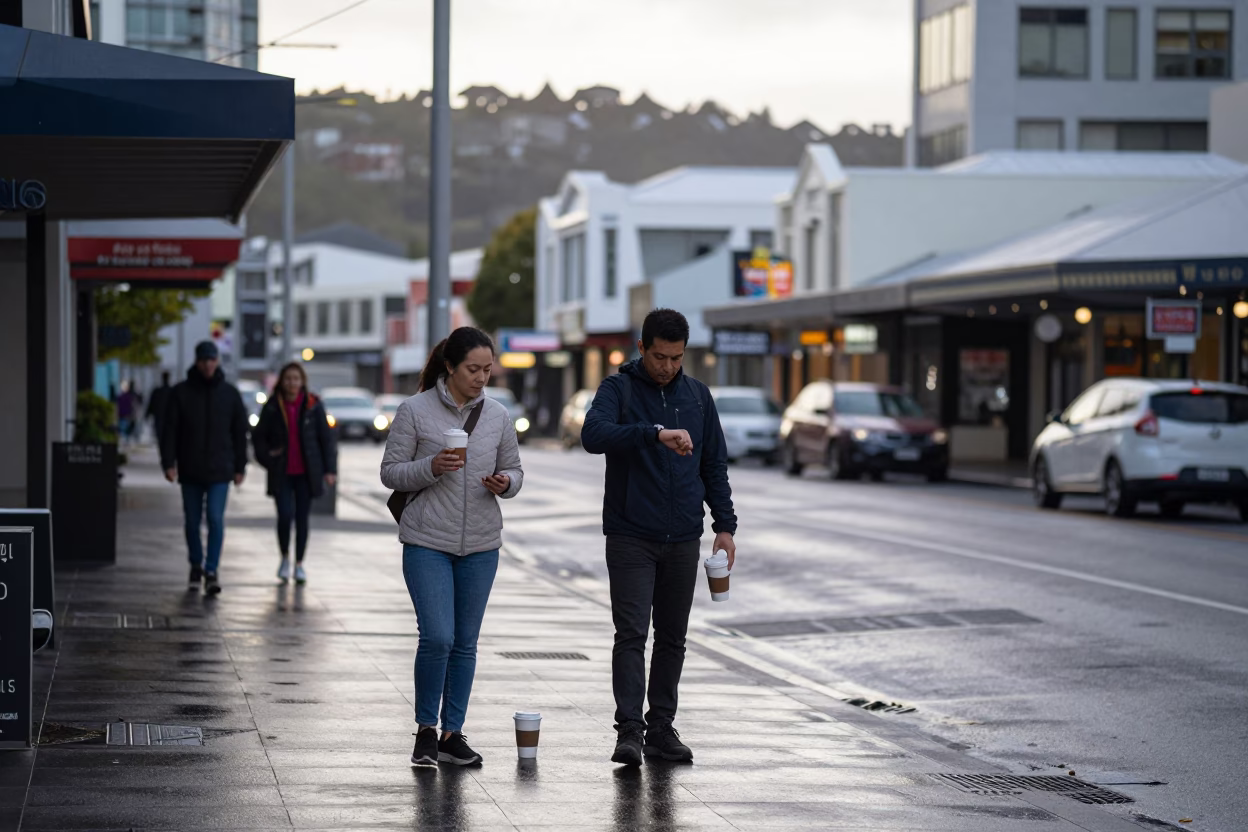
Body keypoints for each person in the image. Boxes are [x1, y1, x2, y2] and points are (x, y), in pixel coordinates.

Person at [581, 308, 737, 766]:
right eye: (660, 356)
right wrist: (653, 434)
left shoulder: (698, 396)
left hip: (684, 536)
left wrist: (724, 526)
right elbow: (594, 435)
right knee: (632, 634)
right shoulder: (619, 388)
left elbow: (714, 466)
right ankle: (629, 730)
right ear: (642, 348)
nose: (668, 366)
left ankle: (661, 729)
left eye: (676, 357)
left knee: (673, 637)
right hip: (631, 533)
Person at [380, 327, 524, 768]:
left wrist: (506, 484)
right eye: (473, 369)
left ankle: (452, 734)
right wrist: (432, 466)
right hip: (428, 540)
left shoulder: (497, 416)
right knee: (438, 637)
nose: (482, 377)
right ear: (450, 366)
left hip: (481, 544)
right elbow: (390, 473)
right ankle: (425, 729)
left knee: (465, 643)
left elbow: (515, 471)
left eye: (487, 369)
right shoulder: (414, 411)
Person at [159, 341, 248, 596]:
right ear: (197, 362)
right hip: (191, 468)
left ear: (217, 361)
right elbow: (170, 431)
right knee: (191, 521)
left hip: (221, 469)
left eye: (212, 359)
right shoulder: (181, 392)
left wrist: (240, 466)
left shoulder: (230, 394)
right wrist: (168, 463)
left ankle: (211, 569)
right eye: (204, 360)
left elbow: (239, 433)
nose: (208, 364)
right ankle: (195, 564)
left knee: (216, 519)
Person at [252, 363, 338, 584]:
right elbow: (258, 437)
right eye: (288, 378)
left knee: (302, 519)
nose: (292, 383)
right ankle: (284, 558)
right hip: (281, 472)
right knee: (284, 516)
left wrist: (330, 469)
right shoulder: (273, 405)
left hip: (306, 473)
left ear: (302, 382)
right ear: (282, 381)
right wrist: (268, 459)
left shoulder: (313, 404)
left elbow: (326, 439)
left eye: (296, 379)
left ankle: (299, 564)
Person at [146, 371, 173, 444]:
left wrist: (147, 415)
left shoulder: (157, 391)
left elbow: (151, 404)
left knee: (160, 436)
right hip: (169, 417)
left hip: (158, 417)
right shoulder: (173, 391)